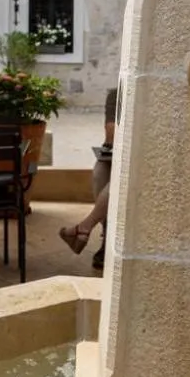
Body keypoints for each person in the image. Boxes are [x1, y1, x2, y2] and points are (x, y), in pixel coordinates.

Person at [60, 85, 117, 272]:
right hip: (115, 152)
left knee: (118, 181)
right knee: (99, 173)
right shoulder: (116, 94)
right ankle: (107, 238)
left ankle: (84, 228)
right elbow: (110, 135)